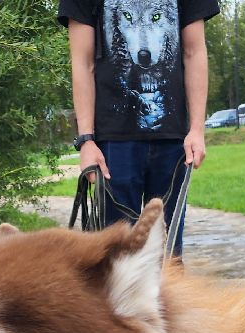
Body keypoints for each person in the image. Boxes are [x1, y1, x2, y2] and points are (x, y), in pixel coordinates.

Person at [59, 0, 219, 255]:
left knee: (169, 258)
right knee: (117, 261)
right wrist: (86, 140)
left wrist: (197, 129)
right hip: (112, 143)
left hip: (172, 140)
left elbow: (194, 51)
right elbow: (82, 62)